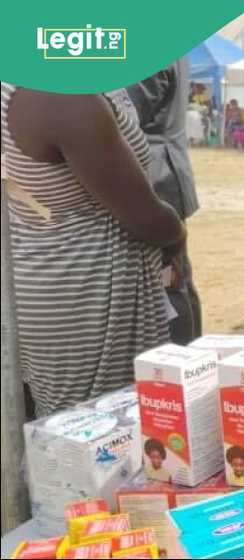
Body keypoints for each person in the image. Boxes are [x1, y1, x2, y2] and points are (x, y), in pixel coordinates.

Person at [2, 85, 186, 416]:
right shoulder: (58, 92)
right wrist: (176, 237)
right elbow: (145, 218)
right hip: (87, 301)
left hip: (50, 275)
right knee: (98, 438)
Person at [127, 56, 204, 345]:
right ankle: (190, 357)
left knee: (167, 284)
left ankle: (183, 362)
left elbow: (124, 116)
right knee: (175, 280)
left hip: (155, 178)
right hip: (164, 173)